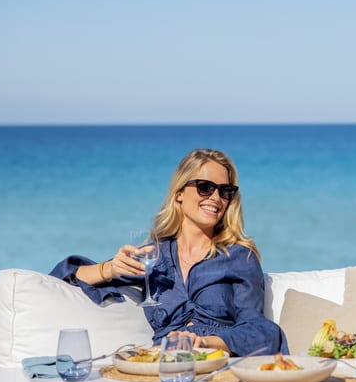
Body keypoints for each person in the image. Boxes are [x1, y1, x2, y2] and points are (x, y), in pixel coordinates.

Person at [50, 148, 288, 356]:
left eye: (225, 191)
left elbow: (258, 330)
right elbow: (60, 277)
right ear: (179, 194)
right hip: (165, 365)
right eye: (205, 187)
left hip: (219, 361)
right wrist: (109, 269)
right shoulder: (154, 256)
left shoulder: (238, 256)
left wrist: (204, 343)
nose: (216, 198)